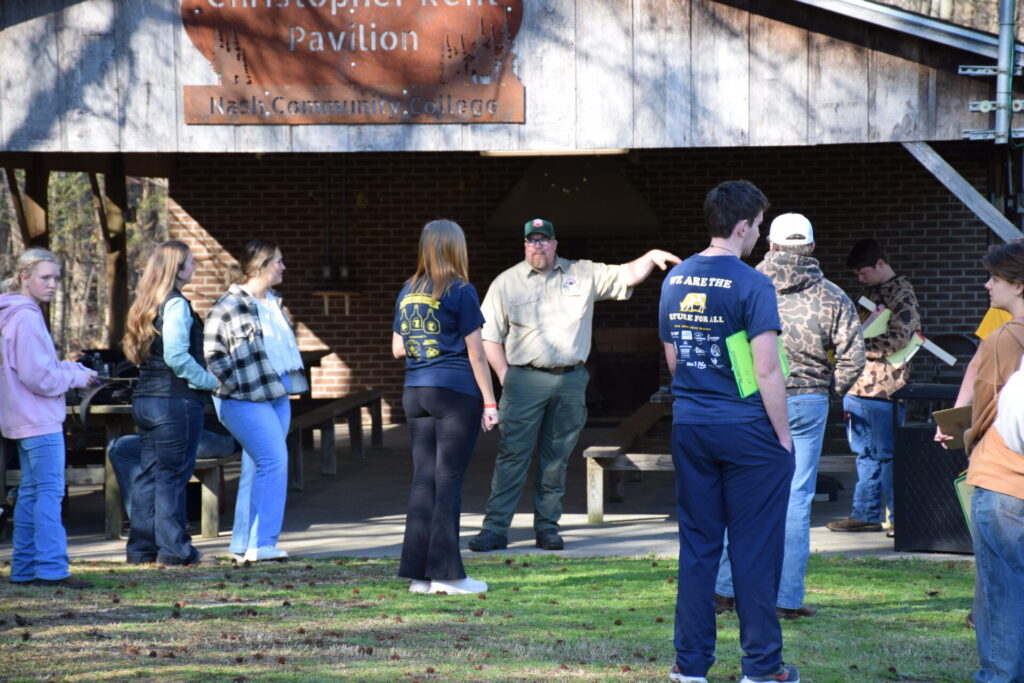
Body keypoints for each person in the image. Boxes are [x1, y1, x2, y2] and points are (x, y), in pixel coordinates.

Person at [468, 218, 680, 552]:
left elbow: (624, 274)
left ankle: (548, 528)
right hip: (523, 379)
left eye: (544, 240)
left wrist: (651, 255)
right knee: (513, 456)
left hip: (569, 380)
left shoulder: (581, 272)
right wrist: (506, 377)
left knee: (556, 458)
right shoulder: (506, 283)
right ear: (524, 245)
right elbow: (488, 337)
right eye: (531, 241)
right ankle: (495, 529)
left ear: (555, 244)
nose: (537, 246)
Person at [660, 180, 798, 683]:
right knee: (753, 551)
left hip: (691, 426)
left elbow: (675, 359)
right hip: (746, 434)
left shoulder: (675, 279)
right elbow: (766, 369)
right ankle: (762, 668)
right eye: (759, 226)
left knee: (698, 548)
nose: (759, 236)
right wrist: (784, 439)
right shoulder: (751, 283)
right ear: (742, 226)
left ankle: (689, 667)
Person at [714, 213, 865, 620]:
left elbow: (723, 343)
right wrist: (826, 392)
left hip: (753, 401)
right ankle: (786, 599)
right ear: (811, 248)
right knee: (796, 502)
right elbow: (853, 358)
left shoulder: (745, 285)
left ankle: (724, 591)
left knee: (743, 497)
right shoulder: (833, 296)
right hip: (807, 403)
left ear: (771, 247)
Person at [392, 219, 500, 595]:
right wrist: (490, 400)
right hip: (454, 393)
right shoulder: (461, 290)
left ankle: (420, 577)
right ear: (456, 247)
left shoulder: (407, 290)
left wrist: (426, 340)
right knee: (448, 481)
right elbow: (477, 352)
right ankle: (448, 576)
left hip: (415, 392)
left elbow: (397, 347)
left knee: (423, 481)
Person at [934, 240, 1024, 682]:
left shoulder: (1004, 336)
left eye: (995, 278)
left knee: (999, 599)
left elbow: (983, 410)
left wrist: (960, 432)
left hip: (1003, 482)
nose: (987, 285)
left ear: (1019, 285)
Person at [0, 248, 97, 588]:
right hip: (37, 419)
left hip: (21, 417)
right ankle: (53, 569)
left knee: (30, 492)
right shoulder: (25, 316)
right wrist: (74, 378)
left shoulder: (15, 313)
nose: (53, 284)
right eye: (45, 277)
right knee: (49, 492)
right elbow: (37, 377)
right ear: (24, 277)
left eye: (56, 278)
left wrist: (71, 368)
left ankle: (25, 571)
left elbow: (36, 367)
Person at [205, 240, 306, 563]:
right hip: (244, 399)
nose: (283, 267)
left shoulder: (275, 303)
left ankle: (243, 544)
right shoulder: (230, 304)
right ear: (261, 266)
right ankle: (262, 543)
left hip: (277, 396)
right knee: (274, 460)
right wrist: (238, 387)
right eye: (278, 261)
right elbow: (213, 356)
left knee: (256, 465)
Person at [122, 241, 217, 566]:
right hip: (174, 403)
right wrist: (209, 382)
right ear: (177, 267)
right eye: (190, 262)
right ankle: (176, 551)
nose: (195, 268)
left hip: (146, 400)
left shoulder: (149, 302)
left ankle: (141, 550)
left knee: (149, 476)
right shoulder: (175, 305)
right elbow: (177, 356)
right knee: (172, 477)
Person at [826, 238, 919, 534]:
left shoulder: (901, 293)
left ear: (880, 264)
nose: (859, 278)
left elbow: (900, 338)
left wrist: (853, 346)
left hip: (882, 388)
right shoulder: (871, 293)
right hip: (858, 385)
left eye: (863, 272)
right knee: (866, 455)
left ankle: (898, 518)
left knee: (887, 455)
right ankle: (866, 514)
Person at [107, 424, 236, 519]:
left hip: (212, 436)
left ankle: (148, 525)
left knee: (121, 449)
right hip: (197, 432)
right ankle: (151, 523)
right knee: (125, 447)